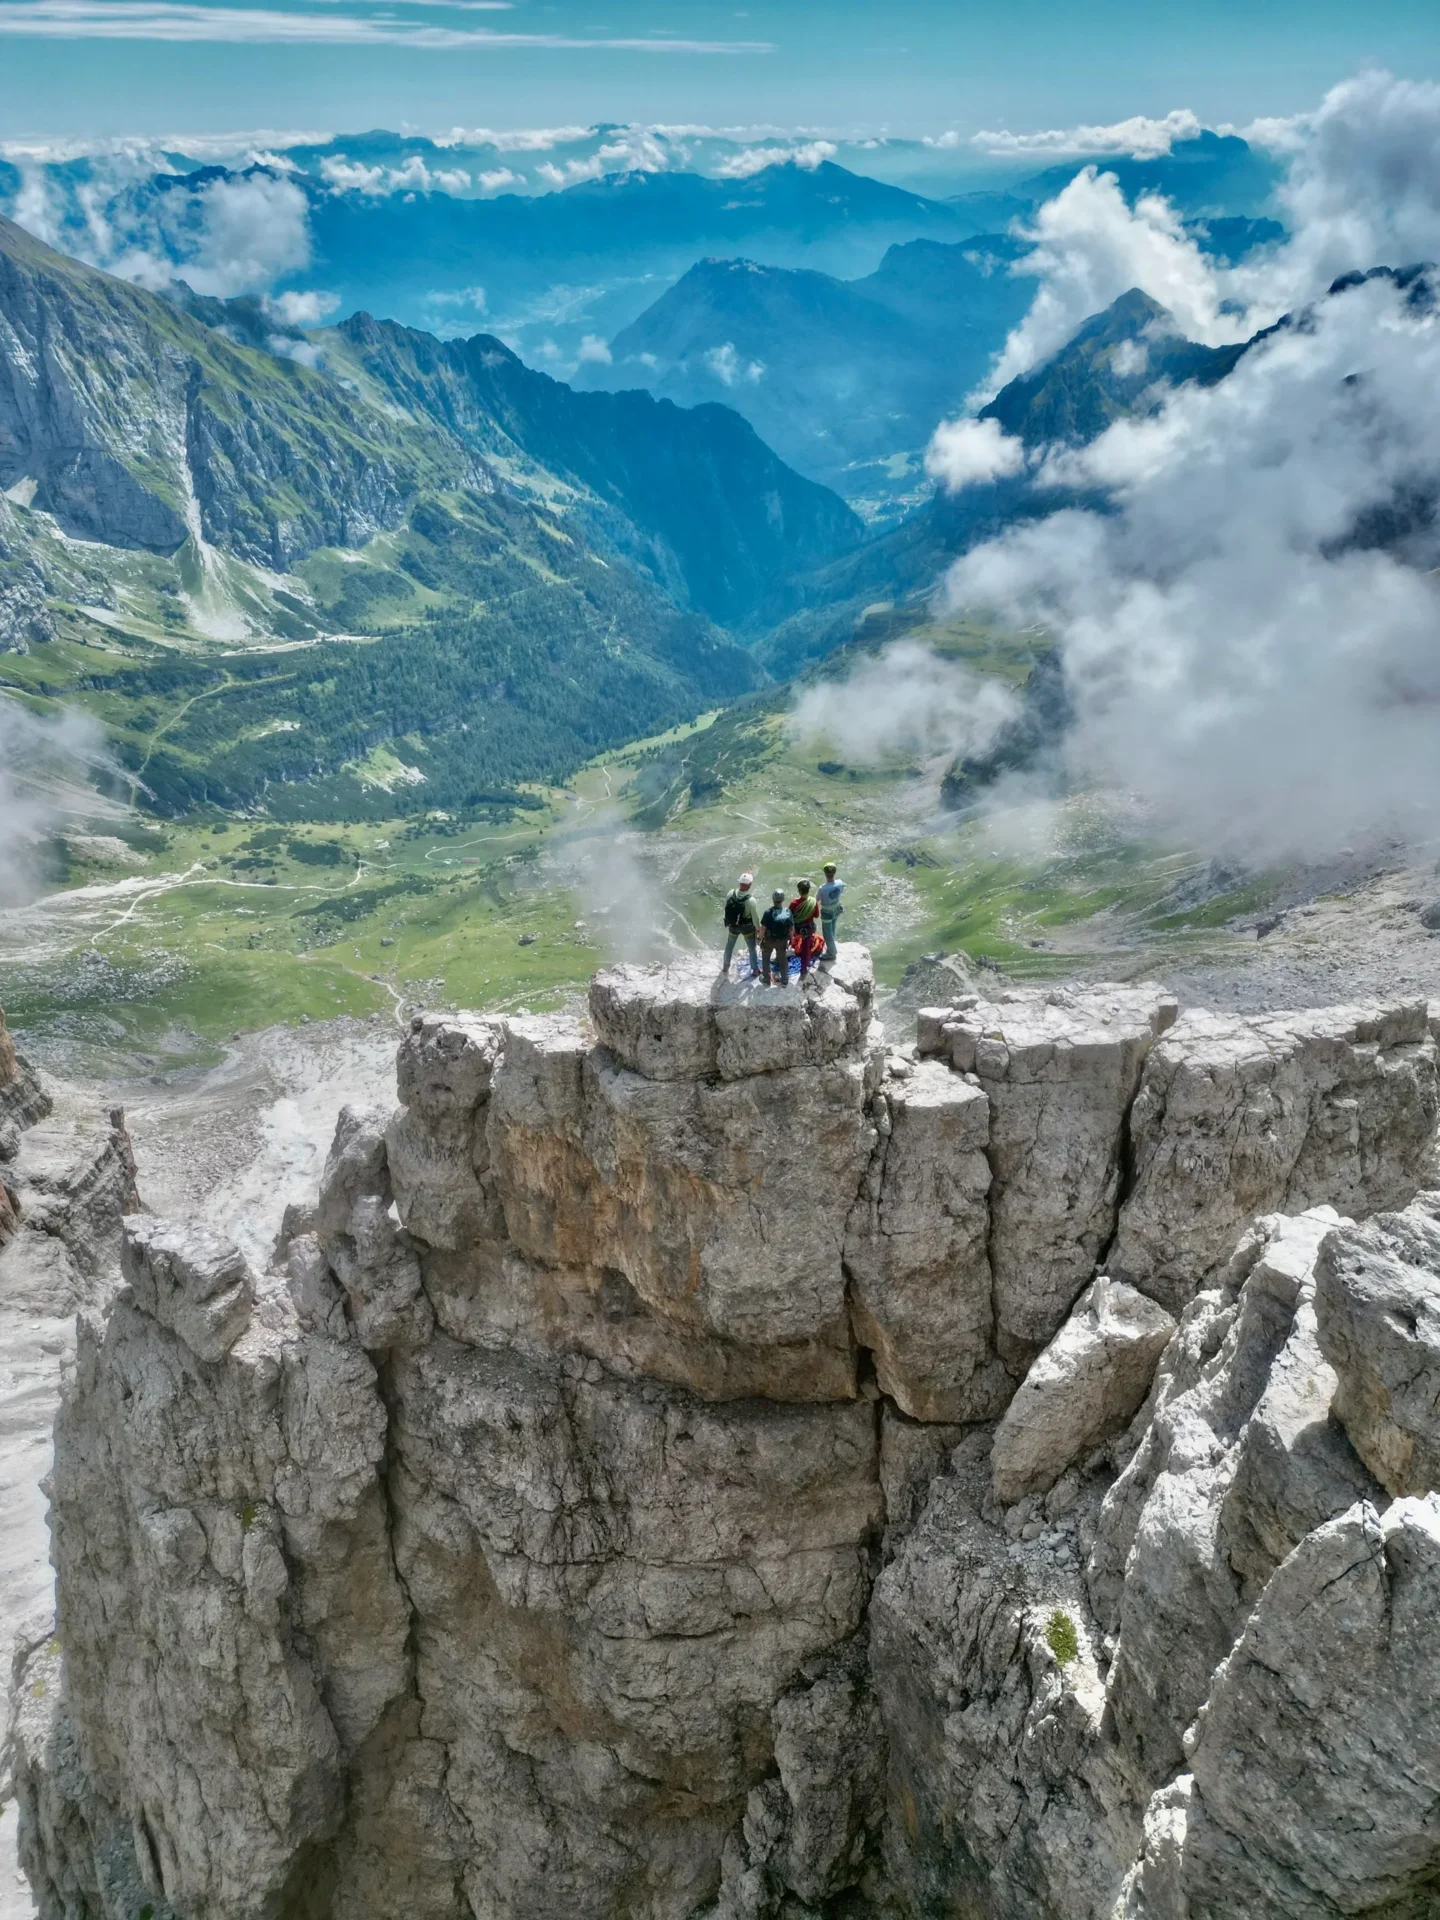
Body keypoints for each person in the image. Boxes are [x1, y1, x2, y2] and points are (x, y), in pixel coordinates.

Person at [720, 871, 761, 977]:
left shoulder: (730, 893)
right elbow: (755, 918)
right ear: (750, 885)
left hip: (733, 926)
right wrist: (758, 929)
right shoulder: (751, 900)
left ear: (740, 883)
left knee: (729, 945)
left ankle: (725, 966)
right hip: (747, 928)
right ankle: (755, 970)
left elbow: (726, 908)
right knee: (752, 948)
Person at [789, 878, 823, 979]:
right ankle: (803, 971)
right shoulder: (813, 902)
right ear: (808, 890)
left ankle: (780, 957)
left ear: (799, 891)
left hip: (797, 930)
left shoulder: (794, 903)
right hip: (808, 929)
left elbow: (789, 917)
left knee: (787, 937)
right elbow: (816, 915)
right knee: (806, 949)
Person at [760, 889, 793, 986]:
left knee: (766, 957)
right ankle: (785, 979)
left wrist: (760, 938)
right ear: (782, 900)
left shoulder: (768, 912)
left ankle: (766, 978)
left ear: (773, 899)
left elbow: (763, 928)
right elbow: (791, 928)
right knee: (783, 959)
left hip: (769, 940)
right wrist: (791, 938)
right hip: (782, 941)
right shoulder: (787, 912)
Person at [817, 862, 844, 964]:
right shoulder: (840, 883)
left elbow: (817, 899)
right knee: (833, 928)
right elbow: (841, 892)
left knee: (827, 933)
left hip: (827, 912)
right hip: (836, 908)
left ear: (825, 874)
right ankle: (830, 948)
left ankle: (832, 953)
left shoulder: (822, 888)